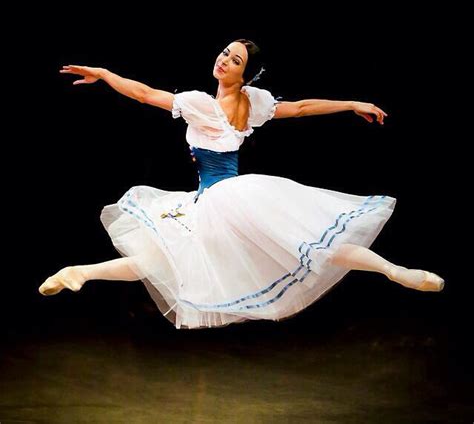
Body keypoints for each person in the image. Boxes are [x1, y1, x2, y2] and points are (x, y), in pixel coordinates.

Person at [39, 39, 445, 329]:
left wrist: (105, 73)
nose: (224, 61)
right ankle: (80, 272)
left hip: (225, 201)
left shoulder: (204, 104)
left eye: (234, 61)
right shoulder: (254, 104)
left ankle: (397, 272)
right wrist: (352, 103)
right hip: (218, 201)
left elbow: (145, 95)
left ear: (244, 73)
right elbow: (301, 108)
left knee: (171, 260)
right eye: (224, 53)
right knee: (311, 247)